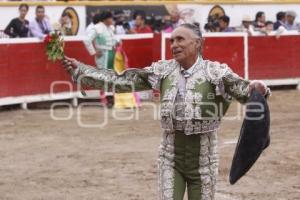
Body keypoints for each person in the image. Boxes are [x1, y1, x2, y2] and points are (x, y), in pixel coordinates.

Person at [62, 23, 270, 200]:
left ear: (197, 43)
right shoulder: (163, 71)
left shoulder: (216, 73)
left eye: (180, 39)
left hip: (205, 161)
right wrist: (82, 70)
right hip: (171, 158)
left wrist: (257, 88)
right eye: (171, 41)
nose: (174, 45)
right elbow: (123, 80)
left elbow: (246, 91)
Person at [84, 10, 118, 108]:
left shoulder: (110, 28)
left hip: (112, 54)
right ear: (106, 19)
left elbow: (113, 40)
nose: (112, 20)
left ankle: (110, 98)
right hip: (103, 55)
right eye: (110, 18)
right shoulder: (97, 28)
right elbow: (87, 40)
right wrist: (94, 52)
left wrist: (116, 43)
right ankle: (107, 99)